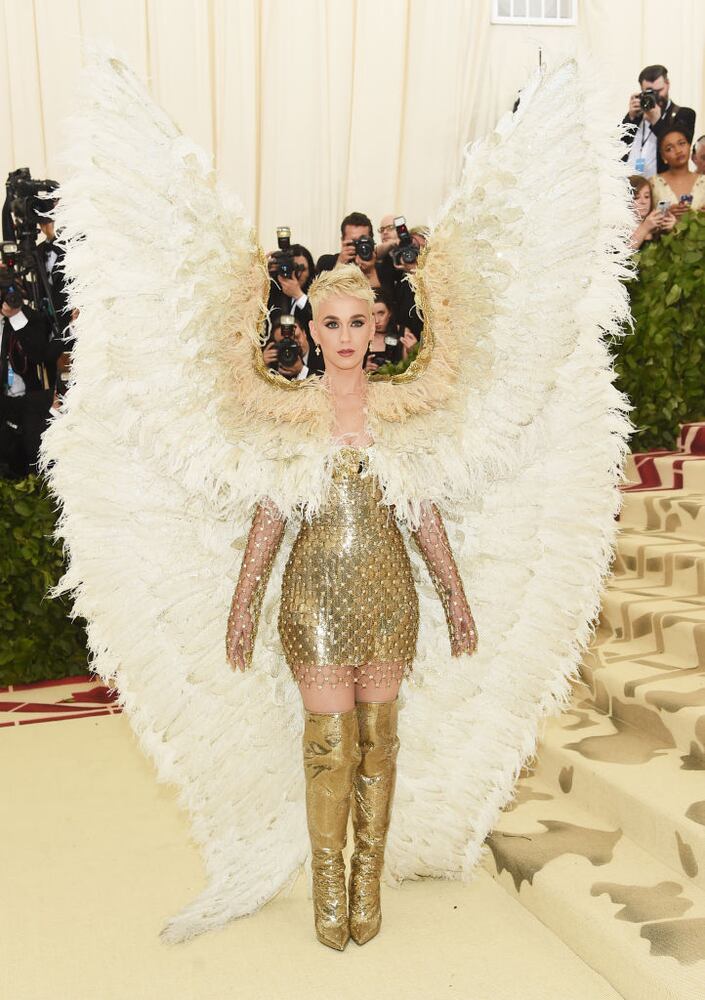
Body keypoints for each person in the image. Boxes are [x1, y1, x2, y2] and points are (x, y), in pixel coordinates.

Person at [226, 266, 477, 950]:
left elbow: (422, 513)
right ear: (311, 329)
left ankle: (367, 876)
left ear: (377, 329)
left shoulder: (400, 412)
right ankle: (328, 881)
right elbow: (270, 514)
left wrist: (453, 596)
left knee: (378, 749)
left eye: (356, 322)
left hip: (389, 597)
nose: (343, 336)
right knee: (328, 752)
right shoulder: (290, 412)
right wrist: (244, 601)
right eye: (330, 323)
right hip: (313, 598)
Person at [0, 288, 53, 477]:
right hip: (3, 406)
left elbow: (38, 354)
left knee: (33, 457)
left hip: (29, 401)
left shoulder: (28, 317)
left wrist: (15, 317)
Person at [621, 64, 696, 177]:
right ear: (641, 90)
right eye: (649, 92)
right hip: (631, 186)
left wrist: (656, 121)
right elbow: (618, 145)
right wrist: (630, 118)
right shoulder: (637, 116)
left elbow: (677, 148)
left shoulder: (684, 114)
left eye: (659, 90)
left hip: (663, 187)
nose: (656, 96)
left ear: (668, 84)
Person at [649, 127, 705, 224]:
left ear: (689, 146)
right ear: (663, 157)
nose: (678, 150)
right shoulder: (653, 184)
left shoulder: (703, 182)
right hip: (664, 238)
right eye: (669, 148)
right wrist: (665, 214)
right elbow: (644, 219)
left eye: (682, 143)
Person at [266, 242, 316, 329]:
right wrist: (262, 271)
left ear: (310, 271)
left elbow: (318, 317)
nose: (297, 273)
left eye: (302, 269)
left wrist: (298, 295)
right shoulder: (272, 291)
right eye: (293, 268)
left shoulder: (317, 294)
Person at [262, 311, 323, 380]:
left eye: (296, 337)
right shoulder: (274, 363)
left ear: (304, 333)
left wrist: (302, 371)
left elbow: (329, 384)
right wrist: (263, 368)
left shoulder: (324, 354)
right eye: (284, 342)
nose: (292, 344)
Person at [628, 174, 675, 250]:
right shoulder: (618, 229)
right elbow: (623, 256)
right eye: (636, 197)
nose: (643, 202)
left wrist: (671, 231)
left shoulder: (657, 227)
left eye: (647, 196)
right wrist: (645, 228)